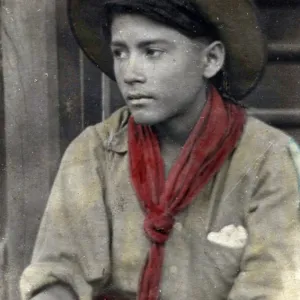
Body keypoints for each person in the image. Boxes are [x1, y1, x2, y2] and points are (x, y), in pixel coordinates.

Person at [20, 0, 300, 299]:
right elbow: (56, 276)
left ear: (211, 60)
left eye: (152, 52)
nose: (130, 73)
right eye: (120, 53)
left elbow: (272, 288)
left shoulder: (268, 158)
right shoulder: (94, 152)